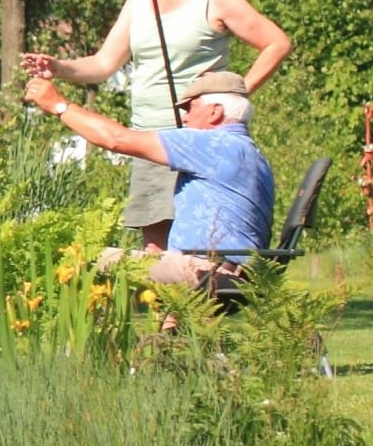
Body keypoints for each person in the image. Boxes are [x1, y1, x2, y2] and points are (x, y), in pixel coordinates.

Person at [25, 0, 291, 246]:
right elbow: (105, 63)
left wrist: (235, 94)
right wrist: (59, 68)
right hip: (148, 139)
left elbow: (277, 43)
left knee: (201, 246)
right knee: (153, 250)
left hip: (199, 139)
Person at [24, 66, 277, 291]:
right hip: (234, 273)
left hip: (203, 271)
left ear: (214, 112)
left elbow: (116, 139)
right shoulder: (253, 155)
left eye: (190, 107)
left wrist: (58, 105)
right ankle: (166, 341)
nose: (185, 117)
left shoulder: (211, 144)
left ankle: (91, 344)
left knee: (76, 259)